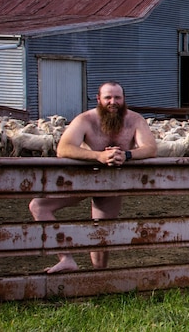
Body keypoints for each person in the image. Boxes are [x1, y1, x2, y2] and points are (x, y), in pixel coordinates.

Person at [29, 81, 157, 273]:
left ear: (123, 100)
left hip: (113, 182)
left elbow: (151, 148)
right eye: (108, 97)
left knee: (101, 231)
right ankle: (66, 258)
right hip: (83, 178)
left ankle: (98, 276)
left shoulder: (135, 120)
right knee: (38, 206)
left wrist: (127, 155)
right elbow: (63, 148)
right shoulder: (86, 120)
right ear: (99, 99)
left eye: (117, 98)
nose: (112, 102)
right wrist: (98, 156)